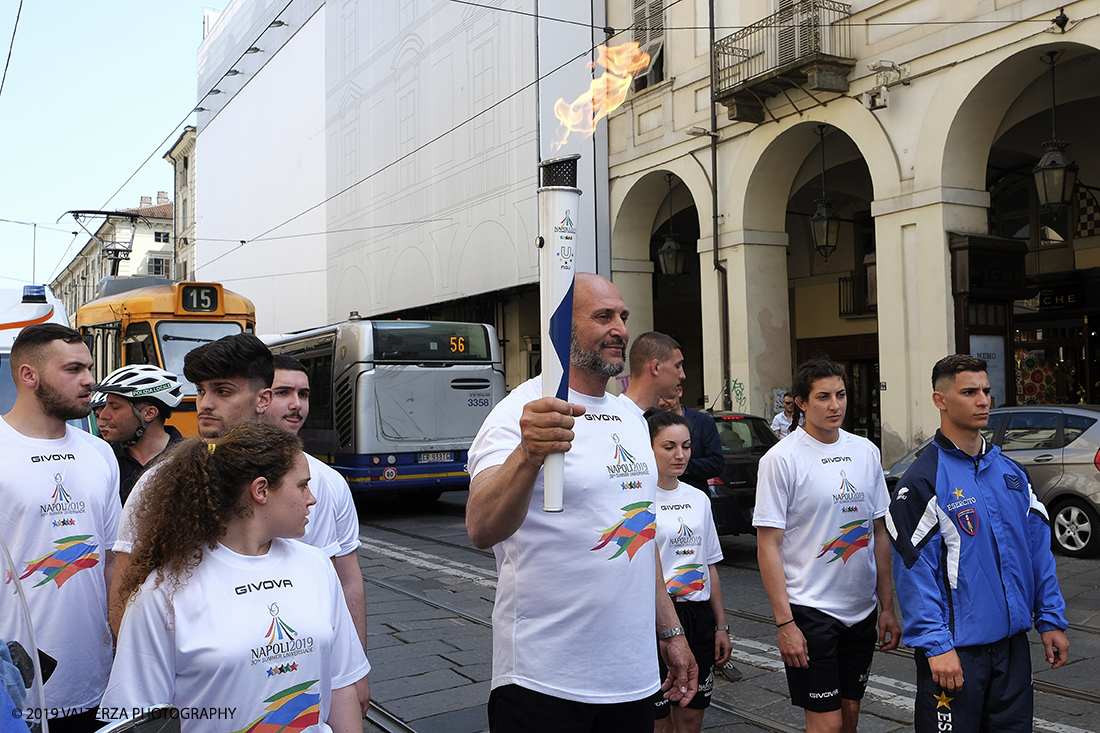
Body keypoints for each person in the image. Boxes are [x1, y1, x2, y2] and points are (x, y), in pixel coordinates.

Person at [466, 273, 697, 733]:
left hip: (630, 678)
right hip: (543, 680)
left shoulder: (630, 420)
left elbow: (641, 533)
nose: (620, 329)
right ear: (561, 327)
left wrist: (670, 631)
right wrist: (528, 455)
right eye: (603, 316)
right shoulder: (520, 413)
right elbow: (481, 525)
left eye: (623, 317)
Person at [101, 422, 369, 733]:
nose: (312, 499)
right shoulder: (163, 591)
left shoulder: (317, 566)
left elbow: (341, 683)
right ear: (261, 490)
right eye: (302, 485)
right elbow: (138, 717)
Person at [887, 355, 1069, 733]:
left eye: (986, 391)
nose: (983, 400)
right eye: (969, 392)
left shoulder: (1012, 474)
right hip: (957, 654)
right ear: (941, 400)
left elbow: (1037, 552)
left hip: (1012, 649)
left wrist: (1050, 618)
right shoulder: (920, 482)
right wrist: (937, 647)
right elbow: (914, 573)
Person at [753, 358, 900, 733]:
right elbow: (768, 545)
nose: (835, 406)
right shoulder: (780, 459)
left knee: (850, 714)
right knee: (827, 725)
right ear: (800, 402)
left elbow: (879, 532)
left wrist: (887, 606)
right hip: (811, 611)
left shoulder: (865, 450)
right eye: (823, 397)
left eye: (841, 395)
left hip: (861, 610)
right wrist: (785, 622)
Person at [0, 323, 120, 733]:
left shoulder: (99, 452)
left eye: (89, 368)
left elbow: (112, 562)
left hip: (95, 682)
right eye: (73, 369)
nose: (90, 380)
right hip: (15, 689)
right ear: (28, 375)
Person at [260, 354, 370, 715]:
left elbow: (349, 580)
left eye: (304, 394)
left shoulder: (333, 483)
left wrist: (358, 669)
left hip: (315, 657)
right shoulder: (226, 478)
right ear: (259, 397)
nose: (296, 405)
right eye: (283, 392)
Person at [646, 410, 731, 733]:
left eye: (686, 446)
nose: (680, 455)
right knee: (658, 721)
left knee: (692, 715)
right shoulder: (639, 499)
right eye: (669, 446)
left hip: (698, 618)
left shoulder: (698, 498)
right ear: (649, 447)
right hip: (655, 619)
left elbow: (709, 564)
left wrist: (721, 625)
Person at [91, 364, 185, 504]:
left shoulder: (191, 460)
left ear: (149, 413)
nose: (103, 415)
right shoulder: (99, 456)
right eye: (106, 406)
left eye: (115, 407)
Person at [657, 384, 723, 492]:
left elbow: (716, 464)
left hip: (695, 493)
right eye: (657, 397)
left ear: (679, 391)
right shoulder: (648, 422)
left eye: (666, 396)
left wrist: (680, 465)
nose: (661, 402)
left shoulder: (704, 422)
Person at [622, 331, 685, 414]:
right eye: (677, 366)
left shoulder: (663, 419)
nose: (682, 376)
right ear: (656, 368)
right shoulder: (616, 417)